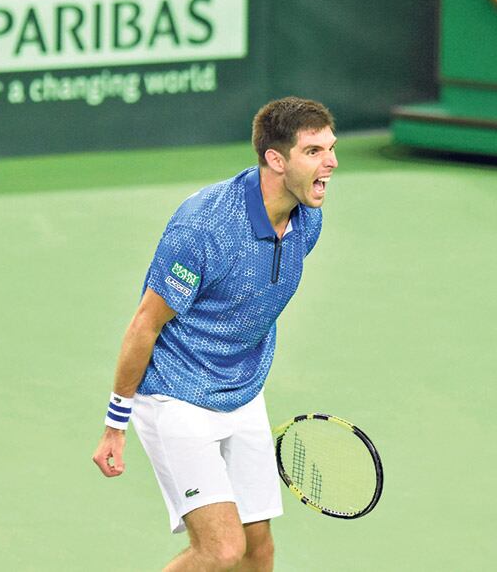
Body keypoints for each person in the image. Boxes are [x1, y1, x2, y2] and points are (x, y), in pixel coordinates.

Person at [92, 96, 338, 571]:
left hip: (243, 394)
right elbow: (146, 323)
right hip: (177, 398)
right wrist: (114, 425)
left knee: (258, 549)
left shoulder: (309, 218)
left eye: (330, 148)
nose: (330, 162)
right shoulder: (204, 227)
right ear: (275, 159)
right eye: (313, 151)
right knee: (221, 550)